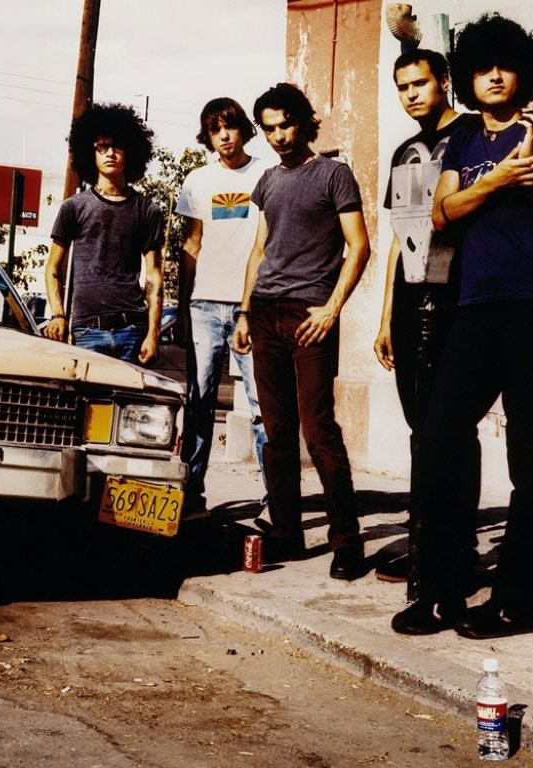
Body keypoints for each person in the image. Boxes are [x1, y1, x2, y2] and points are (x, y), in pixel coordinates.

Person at [391, 13, 533, 638]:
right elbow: (441, 213)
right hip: (474, 310)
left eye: (503, 66)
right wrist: (500, 177)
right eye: (481, 68)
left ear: (521, 72)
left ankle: (518, 599)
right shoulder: (466, 141)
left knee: (530, 455)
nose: (494, 76)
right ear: (468, 79)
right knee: (439, 436)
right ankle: (443, 589)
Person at [232, 83, 371, 580]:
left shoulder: (333, 174)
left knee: (319, 431)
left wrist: (331, 310)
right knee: (276, 433)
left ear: (304, 122)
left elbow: (359, 246)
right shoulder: (268, 181)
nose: (278, 136)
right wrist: (244, 312)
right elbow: (260, 250)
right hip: (265, 313)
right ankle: (287, 533)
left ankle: (347, 542)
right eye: (268, 128)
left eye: (285, 125)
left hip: (309, 315)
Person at [372, 49, 483, 582]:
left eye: (420, 83)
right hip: (411, 296)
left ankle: (457, 549)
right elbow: (400, 237)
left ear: (444, 81)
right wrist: (385, 317)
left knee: (452, 428)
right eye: (403, 86)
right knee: (421, 428)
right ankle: (424, 543)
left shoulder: (472, 135)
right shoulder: (404, 152)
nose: (411, 94)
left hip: (460, 295)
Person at [175, 97, 269, 511]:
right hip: (204, 305)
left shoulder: (266, 173)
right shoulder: (198, 180)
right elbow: (191, 243)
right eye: (215, 130)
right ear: (208, 136)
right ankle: (191, 495)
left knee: (263, 406)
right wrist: (183, 305)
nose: (224, 136)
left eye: (229, 126)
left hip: (252, 305)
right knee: (199, 403)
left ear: (243, 129)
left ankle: (276, 500)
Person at [44, 103, 163, 364]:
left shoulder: (147, 210)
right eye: (102, 147)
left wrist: (153, 333)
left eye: (117, 146)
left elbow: (154, 275)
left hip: (133, 329)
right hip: (86, 330)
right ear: (91, 152)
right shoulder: (73, 207)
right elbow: (52, 267)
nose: (110, 153)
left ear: (131, 151)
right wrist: (58, 315)